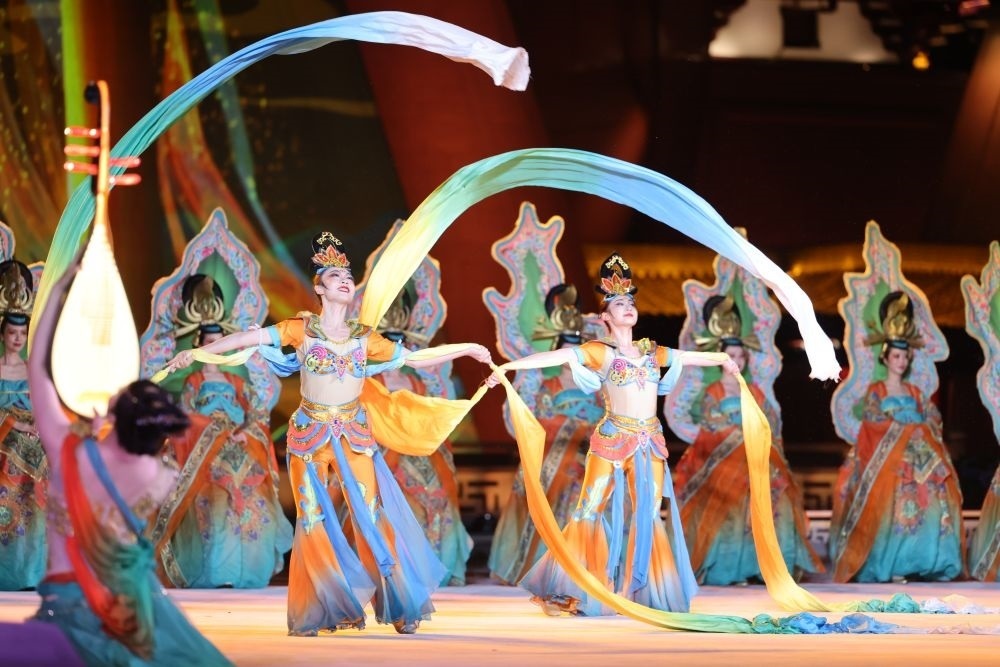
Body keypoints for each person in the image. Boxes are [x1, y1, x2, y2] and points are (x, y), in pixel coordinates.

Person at [166, 232, 493, 635]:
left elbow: (415, 358)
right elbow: (247, 338)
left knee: (371, 515)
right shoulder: (300, 329)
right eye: (335, 276)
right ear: (319, 288)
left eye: (349, 277)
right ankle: (321, 608)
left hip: (353, 434)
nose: (345, 281)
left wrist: (467, 348)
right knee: (311, 519)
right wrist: (196, 353)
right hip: (309, 436)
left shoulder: (364, 337)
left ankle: (399, 604)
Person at [494, 253, 739, 616]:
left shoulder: (651, 351)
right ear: (605, 317)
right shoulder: (599, 351)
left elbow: (688, 357)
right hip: (611, 439)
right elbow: (558, 358)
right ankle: (572, 590)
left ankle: (651, 594)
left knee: (650, 513)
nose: (628, 308)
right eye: (619, 304)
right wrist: (506, 367)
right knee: (589, 509)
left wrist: (723, 360)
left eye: (631, 303)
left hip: (649, 441)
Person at [27, 253, 231, 665]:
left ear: (113, 414)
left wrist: (58, 293)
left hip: (68, 608)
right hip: (132, 607)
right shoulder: (161, 475)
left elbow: (37, 369)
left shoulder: (67, 450)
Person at [151, 274, 292, 589]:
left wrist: (246, 433)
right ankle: (214, 573)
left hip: (239, 448)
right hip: (207, 453)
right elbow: (184, 419)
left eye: (218, 341)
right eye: (208, 342)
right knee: (213, 508)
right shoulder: (193, 383)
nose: (213, 347)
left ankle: (247, 572)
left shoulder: (237, 382)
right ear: (198, 344)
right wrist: (210, 430)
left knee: (251, 504)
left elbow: (257, 413)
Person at [672, 295, 821, 585]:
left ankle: (768, 567)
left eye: (741, 356)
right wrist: (736, 432)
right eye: (732, 356)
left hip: (755, 456)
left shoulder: (755, 391)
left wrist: (755, 434)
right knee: (731, 494)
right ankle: (729, 569)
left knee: (777, 492)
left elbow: (770, 425)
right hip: (723, 461)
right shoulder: (713, 392)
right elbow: (709, 427)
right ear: (720, 358)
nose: (737, 361)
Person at [829, 291, 964, 583]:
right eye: (896, 356)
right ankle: (891, 564)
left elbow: (933, 418)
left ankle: (926, 562)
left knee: (934, 498)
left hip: (921, 459)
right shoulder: (877, 391)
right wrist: (905, 428)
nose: (901, 361)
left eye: (905, 356)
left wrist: (921, 427)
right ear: (885, 357)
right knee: (894, 505)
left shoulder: (915, 392)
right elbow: (873, 422)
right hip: (890, 463)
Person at [488, 283, 603, 585]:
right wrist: (575, 426)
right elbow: (539, 420)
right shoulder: (546, 383)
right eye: (566, 349)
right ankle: (546, 568)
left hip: (592, 456)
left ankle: (589, 568)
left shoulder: (595, 385)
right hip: (556, 456)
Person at [371, 290, 472, 586]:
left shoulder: (415, 380)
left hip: (418, 449)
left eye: (400, 343)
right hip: (383, 449)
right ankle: (398, 569)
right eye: (390, 343)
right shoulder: (370, 380)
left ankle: (437, 566)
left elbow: (426, 414)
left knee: (439, 495)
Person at [0, 259, 47, 590]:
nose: (18, 339)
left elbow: (45, 407)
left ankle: (33, 573)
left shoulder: (33, 370)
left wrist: (41, 426)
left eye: (22, 333)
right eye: (12, 333)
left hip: (35, 442)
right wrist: (16, 426)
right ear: (3, 334)